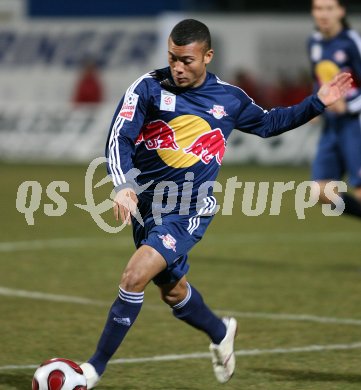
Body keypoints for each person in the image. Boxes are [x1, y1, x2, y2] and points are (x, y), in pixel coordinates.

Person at [80, 19, 352, 388]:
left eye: (187, 60)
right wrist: (124, 186)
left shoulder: (230, 99)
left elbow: (271, 123)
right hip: (147, 208)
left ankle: (92, 369)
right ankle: (220, 331)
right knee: (173, 291)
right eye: (173, 58)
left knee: (133, 276)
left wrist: (316, 102)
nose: (178, 67)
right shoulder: (147, 88)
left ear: (208, 56)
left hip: (187, 210)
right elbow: (120, 137)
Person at [309, 0, 361, 218]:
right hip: (332, 126)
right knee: (319, 190)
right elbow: (319, 79)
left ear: (341, 11)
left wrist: (347, 106)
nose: (324, 14)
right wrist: (316, 105)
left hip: (355, 124)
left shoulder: (352, 42)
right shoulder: (314, 42)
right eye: (319, 8)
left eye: (329, 8)